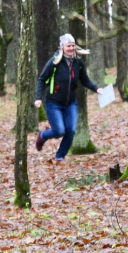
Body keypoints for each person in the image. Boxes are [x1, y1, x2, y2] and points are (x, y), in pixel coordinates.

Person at [34, 33, 100, 162]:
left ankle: (60, 157)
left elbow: (85, 80)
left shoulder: (78, 63)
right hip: (54, 103)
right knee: (59, 131)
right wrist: (38, 98)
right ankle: (43, 135)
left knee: (70, 130)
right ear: (62, 47)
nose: (71, 48)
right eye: (68, 46)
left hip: (70, 103)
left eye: (73, 46)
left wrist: (97, 88)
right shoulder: (55, 62)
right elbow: (42, 79)